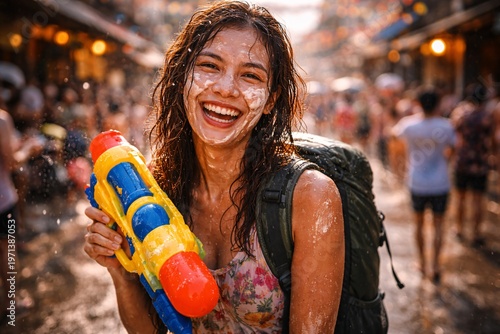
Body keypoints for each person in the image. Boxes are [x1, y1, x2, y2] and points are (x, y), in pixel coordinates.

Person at [83, 1, 345, 333]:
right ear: (183, 77)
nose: (225, 88)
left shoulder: (310, 198)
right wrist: (120, 268)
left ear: (271, 99)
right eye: (210, 66)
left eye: (250, 75)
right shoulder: (157, 188)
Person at [392, 88, 456, 283]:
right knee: (438, 225)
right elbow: (453, 148)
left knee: (418, 225)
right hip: (440, 182)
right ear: (437, 105)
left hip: (417, 182)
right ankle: (435, 264)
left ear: (418, 104)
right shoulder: (446, 126)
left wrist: (401, 162)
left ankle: (421, 262)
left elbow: (393, 137)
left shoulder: (409, 125)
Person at [451, 83, 494, 247]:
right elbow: (493, 138)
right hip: (481, 161)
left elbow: (453, 134)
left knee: (460, 197)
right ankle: (476, 232)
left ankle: (458, 228)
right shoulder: (487, 115)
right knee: (478, 199)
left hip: (462, 160)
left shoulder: (461, 113)